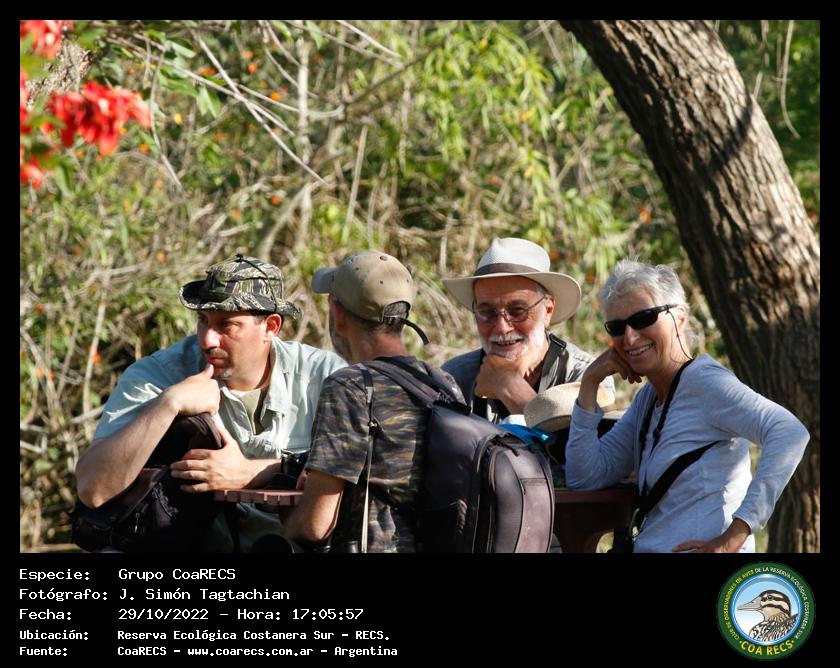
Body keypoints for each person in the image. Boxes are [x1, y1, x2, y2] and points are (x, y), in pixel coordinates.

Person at [75, 254, 346, 552]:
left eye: (226, 325)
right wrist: (169, 403)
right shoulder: (159, 375)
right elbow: (93, 490)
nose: (208, 340)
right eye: (203, 321)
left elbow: (369, 468)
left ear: (270, 327)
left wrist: (257, 471)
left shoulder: (327, 377)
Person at [565, 259, 809, 553]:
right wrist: (590, 382)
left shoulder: (706, 383)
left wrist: (737, 533)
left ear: (679, 318)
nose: (629, 337)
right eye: (617, 327)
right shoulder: (648, 399)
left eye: (644, 319)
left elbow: (789, 432)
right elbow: (586, 478)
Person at [284, 250, 464, 552]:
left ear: (338, 313)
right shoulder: (443, 383)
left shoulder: (349, 387)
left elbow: (316, 526)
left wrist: (285, 524)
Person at [442, 237, 614, 423]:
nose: (502, 327)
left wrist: (509, 386)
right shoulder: (454, 378)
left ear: (548, 310)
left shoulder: (586, 376)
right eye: (487, 312)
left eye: (517, 311)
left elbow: (578, 441)